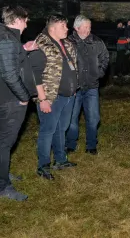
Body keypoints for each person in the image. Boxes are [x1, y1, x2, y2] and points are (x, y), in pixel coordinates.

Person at [0, 6, 36, 201]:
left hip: (1, 99)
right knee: (3, 143)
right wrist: (24, 97)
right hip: (10, 101)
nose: (27, 23)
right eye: (26, 20)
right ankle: (3, 187)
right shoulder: (6, 40)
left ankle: (1, 174)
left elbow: (3, 59)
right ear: (18, 20)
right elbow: (10, 75)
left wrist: (23, 48)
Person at [34, 14, 79, 180]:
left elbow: (72, 67)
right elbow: (34, 74)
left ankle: (60, 160)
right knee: (47, 131)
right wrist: (42, 98)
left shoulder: (66, 43)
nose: (67, 29)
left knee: (61, 129)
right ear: (52, 28)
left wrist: (74, 87)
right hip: (51, 97)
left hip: (69, 95)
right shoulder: (41, 45)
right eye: (63, 26)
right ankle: (43, 166)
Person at [66, 15, 109, 155]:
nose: (88, 30)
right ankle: (70, 144)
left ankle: (91, 145)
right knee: (72, 118)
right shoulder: (68, 42)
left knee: (93, 117)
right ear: (77, 28)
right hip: (75, 88)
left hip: (92, 87)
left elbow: (105, 57)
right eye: (85, 27)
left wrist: (99, 73)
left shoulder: (97, 42)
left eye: (89, 27)